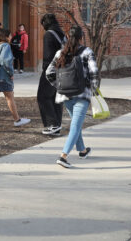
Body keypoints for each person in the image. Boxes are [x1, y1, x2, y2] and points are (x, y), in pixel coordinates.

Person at [46, 26, 99, 168]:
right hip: (82, 94)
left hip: (65, 95)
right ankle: (63, 156)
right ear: (81, 37)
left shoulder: (60, 53)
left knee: (77, 124)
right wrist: (94, 90)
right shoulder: (87, 52)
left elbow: (48, 72)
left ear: (68, 37)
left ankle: (82, 150)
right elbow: (94, 72)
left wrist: (58, 86)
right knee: (75, 125)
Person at [0, 29, 31, 129]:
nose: (11, 38)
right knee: (10, 97)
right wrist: (11, 73)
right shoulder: (5, 46)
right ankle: (17, 120)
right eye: (9, 36)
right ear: (5, 37)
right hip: (3, 77)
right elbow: (5, 60)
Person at [38, 13, 65, 136]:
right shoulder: (61, 34)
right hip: (63, 71)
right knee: (56, 98)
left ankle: (51, 124)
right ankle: (57, 125)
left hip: (51, 70)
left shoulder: (49, 34)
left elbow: (48, 56)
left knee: (43, 97)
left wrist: (45, 70)